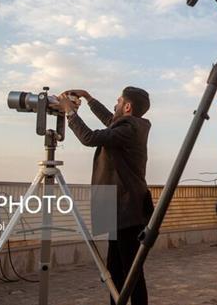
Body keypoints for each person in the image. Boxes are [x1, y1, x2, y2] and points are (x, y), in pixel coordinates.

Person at [56, 87, 152, 305]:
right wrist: (89, 98)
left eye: (118, 101)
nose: (115, 104)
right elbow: (110, 119)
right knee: (116, 271)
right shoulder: (129, 125)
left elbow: (89, 138)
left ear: (127, 107)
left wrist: (70, 112)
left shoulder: (129, 129)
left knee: (131, 272)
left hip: (127, 208)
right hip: (119, 207)